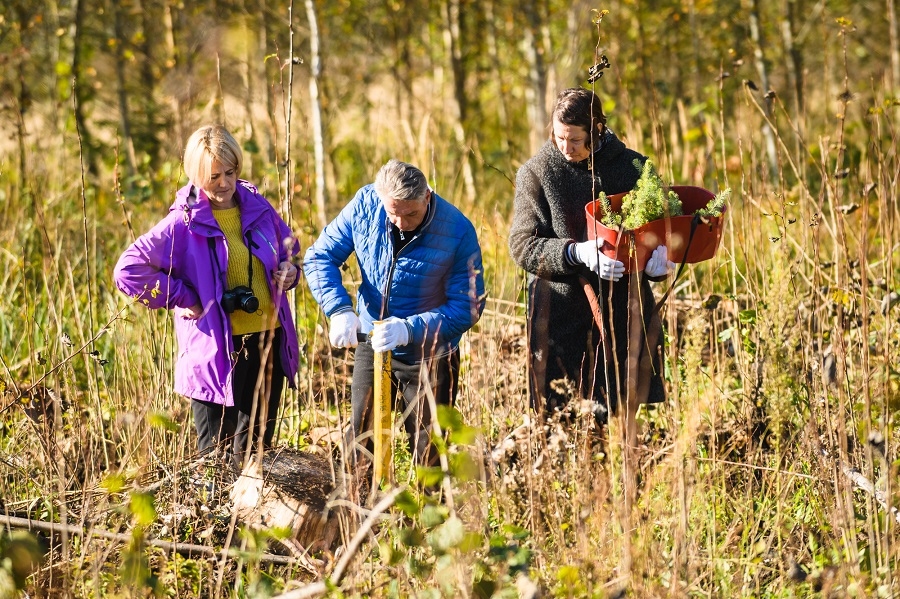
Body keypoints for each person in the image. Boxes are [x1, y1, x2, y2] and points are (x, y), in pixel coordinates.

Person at [114, 124, 300, 468]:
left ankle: (252, 520)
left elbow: (289, 248)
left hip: (267, 341)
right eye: (214, 176)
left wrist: (290, 272)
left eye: (230, 172)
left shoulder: (257, 207)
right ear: (196, 174)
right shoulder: (183, 223)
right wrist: (186, 297)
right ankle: (218, 522)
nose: (225, 183)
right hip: (217, 350)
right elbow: (128, 270)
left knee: (258, 453)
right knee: (215, 461)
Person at [303, 159, 485, 471]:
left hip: (430, 354)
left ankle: (430, 518)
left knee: (430, 448)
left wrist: (409, 330)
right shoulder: (365, 205)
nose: (400, 222)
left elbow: (467, 306)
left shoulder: (457, 230)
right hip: (372, 344)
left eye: (410, 213)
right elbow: (320, 256)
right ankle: (360, 514)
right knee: (364, 440)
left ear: (427, 196)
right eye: (392, 212)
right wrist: (339, 309)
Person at [508, 87, 673, 423]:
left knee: (623, 411)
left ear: (597, 129)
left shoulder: (633, 168)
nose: (565, 148)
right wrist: (574, 252)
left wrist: (657, 262)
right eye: (558, 137)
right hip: (561, 313)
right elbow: (522, 244)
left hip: (624, 308)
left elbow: (659, 228)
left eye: (575, 140)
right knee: (565, 416)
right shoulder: (537, 173)